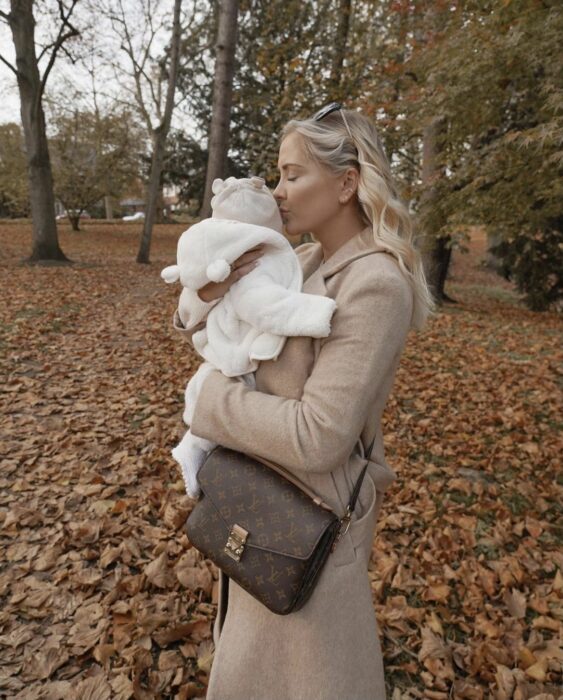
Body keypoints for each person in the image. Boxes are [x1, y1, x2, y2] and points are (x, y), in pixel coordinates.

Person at [172, 103, 435, 700]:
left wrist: (209, 401)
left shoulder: (376, 283)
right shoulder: (300, 260)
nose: (280, 191)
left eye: (294, 175)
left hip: (311, 525)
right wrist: (209, 289)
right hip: (262, 501)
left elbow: (319, 435)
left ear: (346, 182)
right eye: (279, 175)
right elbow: (211, 326)